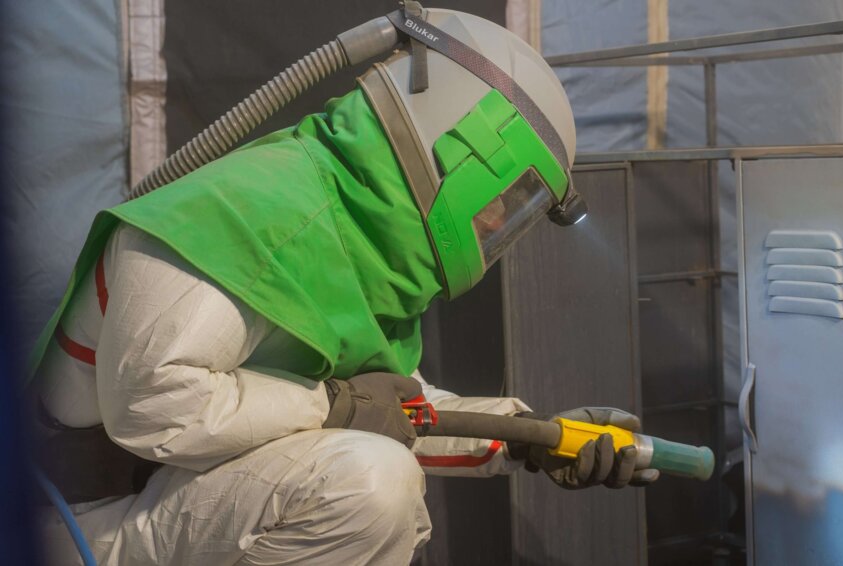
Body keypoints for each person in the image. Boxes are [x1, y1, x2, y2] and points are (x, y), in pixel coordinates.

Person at [31, 7, 658, 565]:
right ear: (454, 141)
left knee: (373, 476)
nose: (497, 223)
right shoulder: (241, 212)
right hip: (77, 523)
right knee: (371, 485)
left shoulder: (357, 247)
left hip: (169, 499)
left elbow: (397, 408)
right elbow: (153, 404)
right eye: (505, 196)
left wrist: (535, 437)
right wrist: (333, 407)